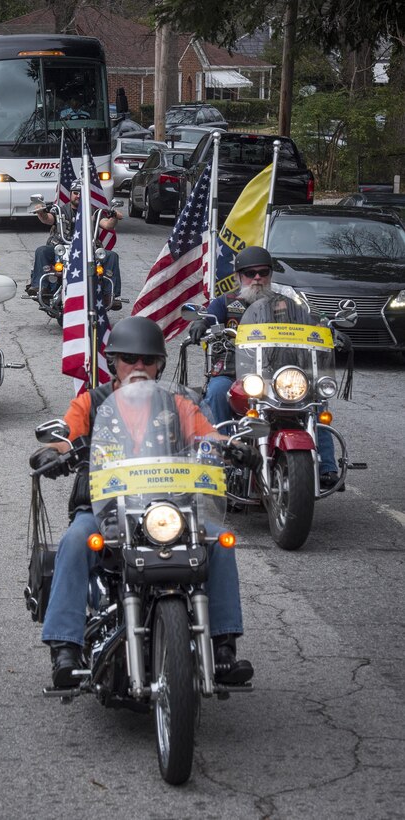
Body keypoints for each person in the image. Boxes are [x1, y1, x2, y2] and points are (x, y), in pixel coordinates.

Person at [30, 316, 255, 689]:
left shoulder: (177, 404)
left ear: (159, 366)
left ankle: (223, 647)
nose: (138, 367)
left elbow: (208, 436)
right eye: (129, 358)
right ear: (113, 362)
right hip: (105, 510)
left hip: (170, 508)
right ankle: (65, 648)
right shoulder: (92, 401)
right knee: (74, 540)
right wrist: (54, 452)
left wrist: (231, 447)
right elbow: (66, 437)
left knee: (219, 541)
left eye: (147, 361)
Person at [188, 245, 340, 489]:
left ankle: (327, 467)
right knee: (216, 392)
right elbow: (208, 317)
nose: (257, 278)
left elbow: (312, 320)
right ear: (239, 276)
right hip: (233, 373)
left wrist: (331, 330)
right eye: (250, 273)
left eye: (263, 272)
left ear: (270, 275)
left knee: (315, 396)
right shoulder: (224, 302)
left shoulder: (285, 304)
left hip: (277, 373)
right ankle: (217, 461)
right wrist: (200, 323)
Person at [28, 179, 124, 310]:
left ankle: (110, 295)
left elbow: (107, 225)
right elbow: (48, 219)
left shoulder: (93, 212)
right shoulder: (60, 210)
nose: (78, 195)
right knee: (42, 251)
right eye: (75, 192)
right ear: (70, 194)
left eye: (81, 193)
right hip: (61, 247)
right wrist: (41, 212)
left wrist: (114, 217)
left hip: (88, 249)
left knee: (112, 256)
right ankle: (41, 287)